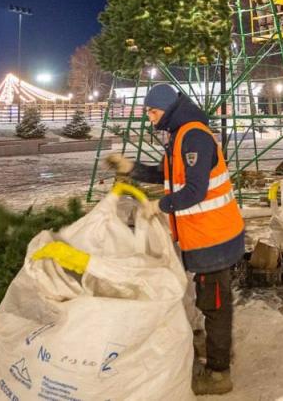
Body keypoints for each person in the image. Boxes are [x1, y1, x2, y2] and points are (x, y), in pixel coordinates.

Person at [104, 84, 244, 396]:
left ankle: (219, 373)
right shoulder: (180, 135)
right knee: (209, 299)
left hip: (214, 238)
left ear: (167, 108)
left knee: (215, 304)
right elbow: (168, 175)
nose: (150, 118)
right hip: (205, 235)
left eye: (153, 112)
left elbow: (194, 191)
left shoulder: (193, 136)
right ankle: (214, 346)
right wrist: (132, 168)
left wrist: (159, 206)